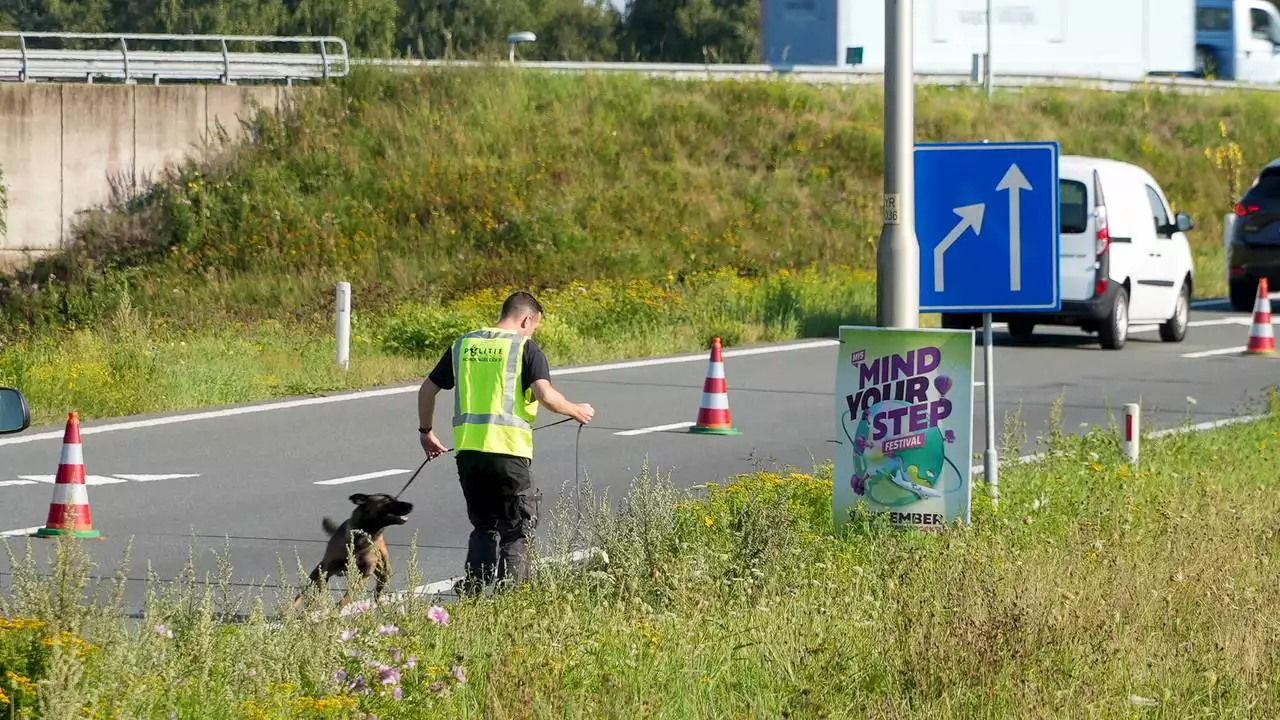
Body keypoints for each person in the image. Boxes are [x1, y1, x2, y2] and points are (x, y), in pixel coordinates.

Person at [416, 291, 595, 596]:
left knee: (484, 524)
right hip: (509, 453)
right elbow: (545, 395)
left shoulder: (464, 345)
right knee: (517, 526)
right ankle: (511, 596)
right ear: (528, 319)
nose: (533, 331)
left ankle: (475, 586)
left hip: (469, 454)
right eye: (534, 326)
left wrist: (426, 431)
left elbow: (427, 390)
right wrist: (577, 409)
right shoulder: (525, 348)